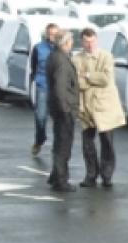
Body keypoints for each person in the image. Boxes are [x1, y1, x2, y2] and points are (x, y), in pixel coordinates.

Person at [74, 27, 126, 188]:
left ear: (96, 40)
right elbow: (77, 82)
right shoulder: (77, 59)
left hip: (105, 106)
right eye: (86, 42)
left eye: (92, 41)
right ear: (82, 42)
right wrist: (89, 79)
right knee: (87, 144)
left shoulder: (106, 56)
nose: (89, 45)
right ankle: (91, 175)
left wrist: (88, 75)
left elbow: (105, 79)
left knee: (107, 142)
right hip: (86, 106)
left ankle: (107, 175)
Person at [46, 30, 79, 192]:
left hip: (58, 107)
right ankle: (61, 180)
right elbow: (60, 88)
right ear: (65, 43)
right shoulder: (61, 60)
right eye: (70, 41)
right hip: (63, 109)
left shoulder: (54, 56)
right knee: (63, 145)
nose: (72, 43)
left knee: (60, 142)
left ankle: (55, 175)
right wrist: (65, 109)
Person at [28, 23, 58, 156]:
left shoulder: (62, 48)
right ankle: (40, 139)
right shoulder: (38, 48)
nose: (53, 37)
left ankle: (58, 146)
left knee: (59, 119)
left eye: (55, 34)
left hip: (58, 87)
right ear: (46, 34)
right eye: (51, 34)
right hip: (43, 86)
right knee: (40, 117)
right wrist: (35, 79)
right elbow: (33, 66)